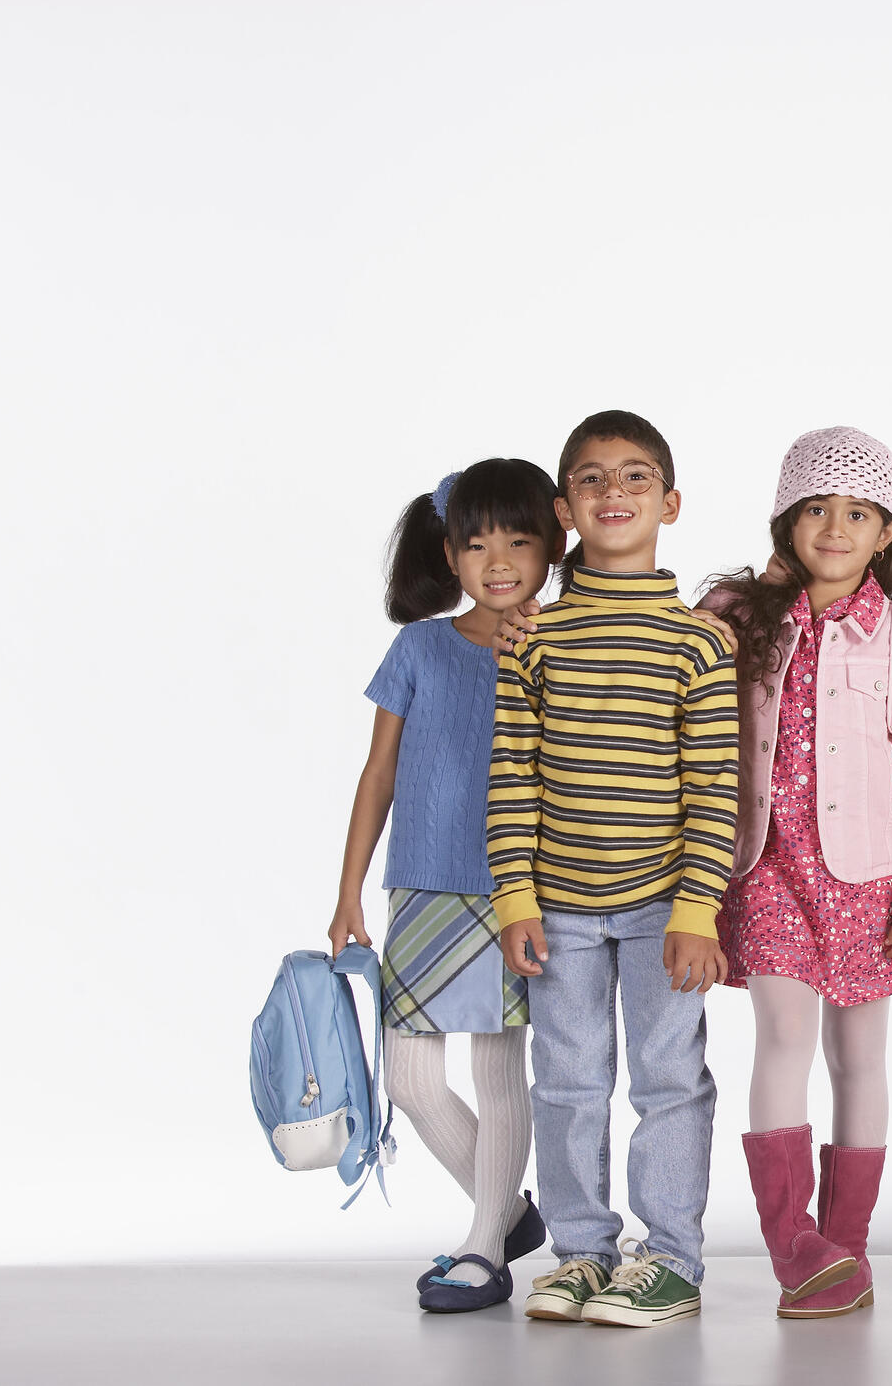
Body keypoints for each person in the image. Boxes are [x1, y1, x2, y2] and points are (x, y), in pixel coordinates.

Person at [704, 427, 892, 1319]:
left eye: (857, 513)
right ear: (786, 517)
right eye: (815, 508)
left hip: (867, 877)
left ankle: (844, 1250)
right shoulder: (740, 615)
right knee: (781, 1033)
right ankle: (792, 1246)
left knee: (860, 1057)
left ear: (886, 531)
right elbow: (663, 661)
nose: (834, 527)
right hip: (765, 865)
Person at [487, 410, 740, 1329]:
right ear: (565, 510)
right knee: (566, 1081)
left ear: (670, 503)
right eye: (592, 480)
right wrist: (516, 897)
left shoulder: (698, 644)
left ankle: (670, 1258)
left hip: (664, 909)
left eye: (635, 478)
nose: (614, 494)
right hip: (556, 907)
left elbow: (716, 785)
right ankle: (581, 1255)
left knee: (669, 1079)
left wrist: (697, 909)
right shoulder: (537, 642)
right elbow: (512, 772)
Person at [327, 457, 562, 1313]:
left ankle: (482, 1248)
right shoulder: (419, 646)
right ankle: (508, 1213)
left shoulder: (559, 646)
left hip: (517, 890)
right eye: (475, 543)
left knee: (501, 1069)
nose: (497, 559)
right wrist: (349, 890)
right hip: (421, 887)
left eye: (518, 539)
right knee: (413, 1082)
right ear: (450, 554)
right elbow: (377, 772)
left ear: (552, 545)